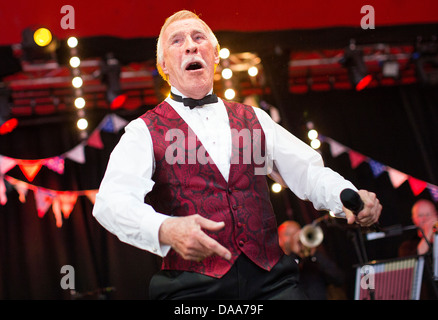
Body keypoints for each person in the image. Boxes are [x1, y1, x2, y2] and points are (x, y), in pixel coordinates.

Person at [92, 10, 382, 300]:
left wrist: (349, 195)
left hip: (272, 282)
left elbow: (307, 172)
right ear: (164, 65)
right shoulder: (144, 130)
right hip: (193, 288)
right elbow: (111, 202)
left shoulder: (253, 117)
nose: (191, 45)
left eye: (199, 37)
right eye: (177, 41)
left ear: (216, 55)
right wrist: (164, 228)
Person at [278, 221, 345, 300]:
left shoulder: (312, 261)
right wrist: (292, 255)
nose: (295, 237)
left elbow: (339, 279)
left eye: (297, 232)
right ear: (279, 240)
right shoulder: (277, 266)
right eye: (288, 234)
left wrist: (315, 253)